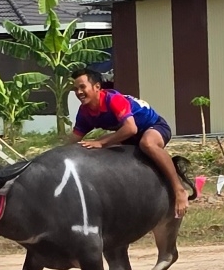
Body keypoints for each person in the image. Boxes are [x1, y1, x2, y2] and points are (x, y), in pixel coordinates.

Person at [67, 68, 191, 218]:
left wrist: (102, 142)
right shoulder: (85, 112)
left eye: (82, 87)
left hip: (152, 127)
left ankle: (179, 189)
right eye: (76, 89)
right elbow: (74, 140)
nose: (79, 92)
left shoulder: (113, 100)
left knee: (147, 144)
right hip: (127, 136)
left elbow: (131, 128)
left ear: (97, 87)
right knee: (93, 151)